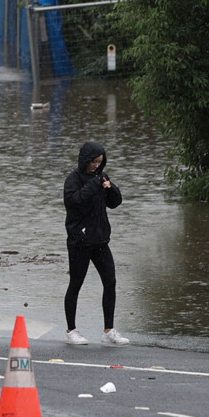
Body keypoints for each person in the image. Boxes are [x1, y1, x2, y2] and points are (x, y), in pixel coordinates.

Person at [63, 141, 129, 346]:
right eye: (94, 162)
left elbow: (115, 202)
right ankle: (71, 330)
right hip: (79, 241)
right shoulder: (73, 180)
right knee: (76, 283)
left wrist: (111, 188)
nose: (97, 166)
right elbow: (75, 202)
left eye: (100, 162)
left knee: (110, 282)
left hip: (100, 240)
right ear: (85, 161)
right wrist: (95, 183)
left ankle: (108, 330)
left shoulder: (102, 177)